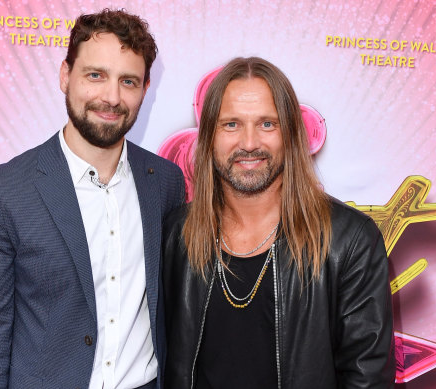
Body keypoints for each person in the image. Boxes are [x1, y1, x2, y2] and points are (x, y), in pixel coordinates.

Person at [0, 9, 184, 389]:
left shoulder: (165, 182)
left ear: (146, 89)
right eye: (95, 75)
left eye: (128, 81)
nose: (111, 97)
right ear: (66, 75)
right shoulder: (5, 191)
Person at [163, 57, 395, 388]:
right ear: (209, 136)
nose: (249, 143)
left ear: (290, 133)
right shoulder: (176, 235)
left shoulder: (349, 240)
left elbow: (367, 378)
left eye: (267, 124)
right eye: (231, 124)